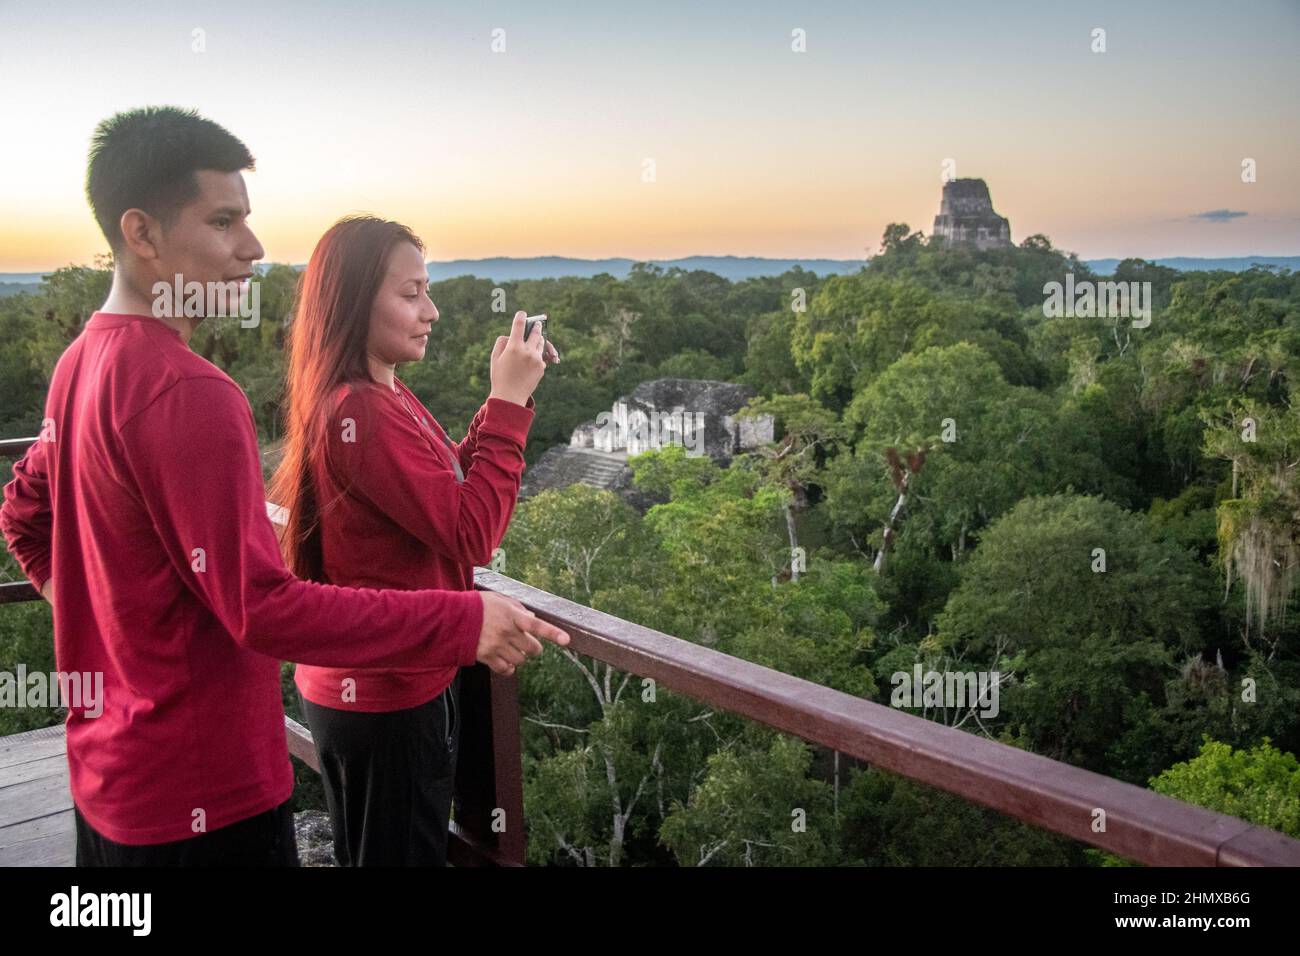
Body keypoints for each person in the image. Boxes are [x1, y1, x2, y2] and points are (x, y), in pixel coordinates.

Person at [0, 107, 568, 867]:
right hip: (206, 796)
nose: (254, 249)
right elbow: (260, 606)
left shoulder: (82, 363)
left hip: (113, 783)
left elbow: (24, 517)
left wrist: (112, 626)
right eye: (225, 221)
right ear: (142, 234)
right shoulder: (189, 393)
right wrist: (463, 624)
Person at [270, 216, 556, 866]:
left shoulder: (372, 395)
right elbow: (470, 531)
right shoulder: (359, 410)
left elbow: (440, 490)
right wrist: (508, 404)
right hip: (388, 697)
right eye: (409, 294)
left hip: (369, 688)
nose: (430, 311)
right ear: (351, 301)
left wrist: (499, 403)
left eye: (427, 291)